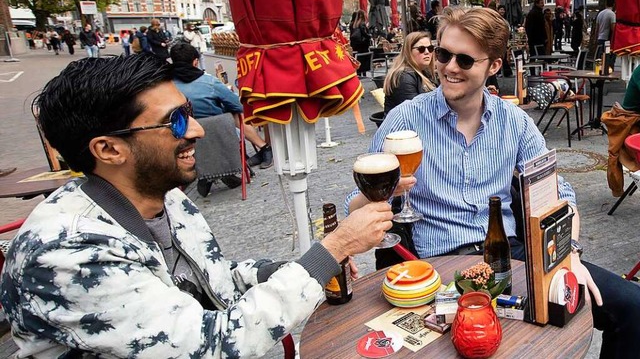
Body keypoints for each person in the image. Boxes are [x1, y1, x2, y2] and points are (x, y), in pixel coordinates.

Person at [0, 54, 394, 358]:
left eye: (188, 113)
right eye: (174, 121)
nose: (198, 130)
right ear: (108, 149)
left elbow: (215, 282)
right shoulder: (68, 253)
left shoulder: (166, 198)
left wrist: (291, 268)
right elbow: (214, 344)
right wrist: (333, 249)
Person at [347, 6, 640, 358]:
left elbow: (560, 196)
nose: (450, 67)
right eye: (442, 54)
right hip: (437, 265)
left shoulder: (514, 122)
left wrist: (568, 255)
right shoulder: (405, 119)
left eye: (465, 60)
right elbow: (354, 200)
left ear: (494, 67)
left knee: (633, 307)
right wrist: (382, 193)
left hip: (511, 259)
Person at [170, 43, 273, 190]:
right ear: (195, 62)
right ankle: (264, 148)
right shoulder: (208, 82)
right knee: (235, 114)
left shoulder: (168, 87)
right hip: (219, 134)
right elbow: (237, 106)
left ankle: (207, 174)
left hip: (186, 139)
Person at [383, 32, 436, 116]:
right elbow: (416, 113)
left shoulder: (425, 71)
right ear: (408, 51)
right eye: (421, 49)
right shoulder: (403, 77)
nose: (427, 52)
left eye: (430, 48)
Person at [595, 0, 616, 69]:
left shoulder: (600, 14)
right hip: (607, 40)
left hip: (600, 38)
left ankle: (600, 72)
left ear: (605, 4)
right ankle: (608, 71)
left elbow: (597, 28)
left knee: (600, 58)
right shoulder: (612, 14)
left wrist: (596, 38)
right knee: (608, 58)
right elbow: (613, 28)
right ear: (613, 4)